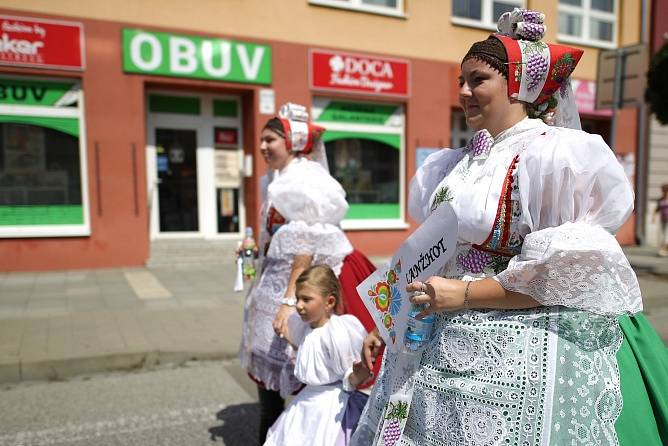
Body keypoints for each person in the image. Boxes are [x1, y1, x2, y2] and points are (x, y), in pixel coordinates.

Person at [352, 9, 668, 446]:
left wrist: (462, 294)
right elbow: (428, 252)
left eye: (478, 79)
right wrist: (386, 321)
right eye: (461, 80)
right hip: (431, 340)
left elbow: (561, 277)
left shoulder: (552, 156)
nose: (463, 91)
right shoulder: (453, 164)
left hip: (509, 349)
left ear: (517, 85)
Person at [239, 103, 375, 444]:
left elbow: (305, 246)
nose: (263, 147)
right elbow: (277, 240)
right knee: (272, 390)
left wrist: (289, 302)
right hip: (277, 286)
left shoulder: (306, 179)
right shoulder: (273, 180)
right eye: (261, 140)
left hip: (307, 290)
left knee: (315, 382)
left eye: (271, 139)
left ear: (293, 142)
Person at [264, 265, 372, 446]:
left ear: (329, 302)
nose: (298, 305)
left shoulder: (338, 332)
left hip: (330, 408)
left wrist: (357, 375)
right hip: (306, 402)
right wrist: (286, 335)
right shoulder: (304, 327)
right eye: (298, 298)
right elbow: (310, 354)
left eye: (306, 299)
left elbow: (346, 375)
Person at [652, 183, 668, 256]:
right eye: (663, 191)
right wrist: (654, 217)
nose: (663, 192)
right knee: (662, 234)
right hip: (663, 219)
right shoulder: (661, 199)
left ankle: (663, 250)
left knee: (666, 235)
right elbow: (657, 209)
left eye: (664, 191)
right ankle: (663, 250)